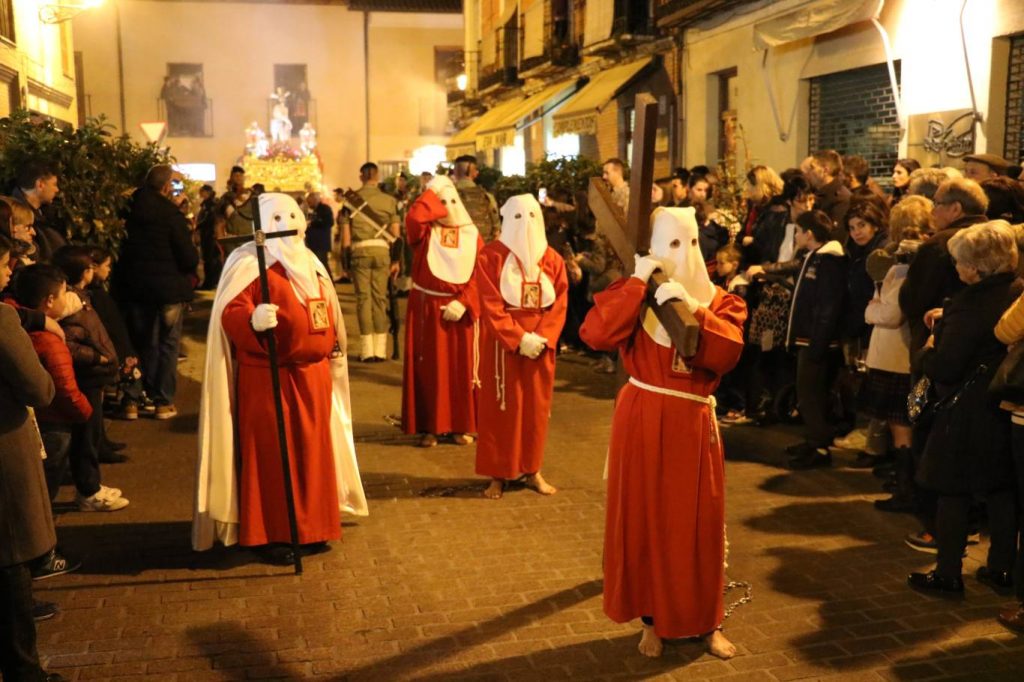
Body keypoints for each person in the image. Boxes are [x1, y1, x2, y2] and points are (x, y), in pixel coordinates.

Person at [579, 206, 746, 660]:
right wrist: (637, 283)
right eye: (671, 244)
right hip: (644, 416)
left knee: (698, 525)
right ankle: (651, 620)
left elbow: (728, 352)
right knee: (647, 521)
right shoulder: (634, 295)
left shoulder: (722, 301)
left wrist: (693, 307)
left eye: (690, 243)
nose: (683, 253)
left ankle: (707, 621)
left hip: (693, 423)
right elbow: (594, 333)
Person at [193, 193, 367, 564]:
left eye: (294, 215)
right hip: (270, 379)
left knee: (313, 455)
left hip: (314, 377)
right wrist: (251, 319)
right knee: (274, 456)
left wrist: (334, 340)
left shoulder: (312, 263)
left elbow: (328, 308)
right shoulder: (248, 264)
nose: (289, 223)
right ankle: (273, 533)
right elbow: (230, 312)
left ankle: (313, 527)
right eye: (280, 217)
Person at [908, 221, 1021, 596]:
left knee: (952, 490)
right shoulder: (1016, 292)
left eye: (959, 261)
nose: (956, 267)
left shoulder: (969, 304)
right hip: (1003, 404)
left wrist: (925, 352)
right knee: (1002, 489)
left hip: (967, 410)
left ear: (974, 267)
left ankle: (948, 572)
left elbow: (946, 366)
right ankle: (1003, 568)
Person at [474, 194, 568, 499]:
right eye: (517, 217)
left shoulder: (552, 259)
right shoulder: (490, 257)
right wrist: (518, 338)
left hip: (541, 345)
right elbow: (490, 304)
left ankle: (532, 469)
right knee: (502, 410)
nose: (524, 224)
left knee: (535, 410)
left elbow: (560, 303)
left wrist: (543, 337)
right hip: (505, 347)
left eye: (531, 216)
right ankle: (498, 473)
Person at [0, 281, 66, 682]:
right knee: (10, 558)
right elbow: (38, 387)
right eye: (4, 262)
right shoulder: (2, 320)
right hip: (4, 449)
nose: (8, 274)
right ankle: (24, 671)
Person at [401, 174, 483, 448]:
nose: (446, 207)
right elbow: (414, 219)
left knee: (461, 369)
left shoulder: (472, 235)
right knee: (430, 369)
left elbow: (481, 274)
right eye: (440, 201)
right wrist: (431, 192)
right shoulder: (425, 234)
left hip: (460, 310)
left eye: (450, 200)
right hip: (428, 309)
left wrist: (465, 302)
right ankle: (431, 426)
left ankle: (463, 425)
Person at [114, 165, 199, 420]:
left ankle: (132, 399)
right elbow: (188, 258)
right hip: (167, 291)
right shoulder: (170, 214)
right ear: (165, 187)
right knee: (166, 345)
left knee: (135, 343)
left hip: (132, 288)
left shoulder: (126, 209)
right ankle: (162, 401)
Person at [784, 210, 849, 469]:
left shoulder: (829, 261)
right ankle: (813, 439)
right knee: (806, 392)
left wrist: (818, 343)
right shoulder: (813, 257)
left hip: (816, 341)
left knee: (812, 393)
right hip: (807, 338)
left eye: (798, 231)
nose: (796, 236)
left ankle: (820, 447)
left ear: (809, 233)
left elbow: (828, 306)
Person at [344, 163, 400, 361]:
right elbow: (395, 234)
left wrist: (345, 264)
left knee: (363, 299)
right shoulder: (389, 200)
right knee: (380, 298)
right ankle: (380, 349)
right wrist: (396, 261)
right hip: (383, 251)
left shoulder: (350, 200)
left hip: (360, 251)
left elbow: (346, 238)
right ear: (377, 176)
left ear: (361, 177)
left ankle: (367, 351)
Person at [11, 161, 66, 263]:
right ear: (40, 184)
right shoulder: (16, 214)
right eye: (54, 184)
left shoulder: (45, 212)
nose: (57, 189)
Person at [452, 155, 500, 243]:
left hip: (455, 252)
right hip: (482, 251)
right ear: (474, 173)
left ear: (455, 172)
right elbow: (496, 231)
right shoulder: (487, 197)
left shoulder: (446, 196)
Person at [801, 150, 851, 232]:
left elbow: (835, 234)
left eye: (812, 168)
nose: (809, 172)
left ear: (825, 171)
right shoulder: (815, 192)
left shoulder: (841, 198)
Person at [304, 191, 334, 278]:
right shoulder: (314, 211)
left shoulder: (325, 209)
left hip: (321, 243)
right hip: (314, 244)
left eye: (309, 202)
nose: (308, 204)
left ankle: (329, 284)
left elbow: (329, 222)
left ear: (315, 199)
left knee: (322, 265)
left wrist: (312, 223)